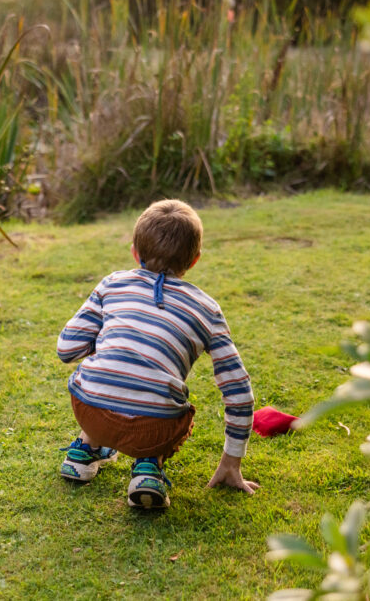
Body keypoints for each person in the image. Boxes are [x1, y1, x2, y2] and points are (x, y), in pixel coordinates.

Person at [56, 199, 258, 509]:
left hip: (89, 411)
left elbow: (66, 349)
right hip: (156, 427)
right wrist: (232, 461)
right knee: (166, 402)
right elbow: (239, 391)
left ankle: (84, 451)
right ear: (194, 261)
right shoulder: (207, 308)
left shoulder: (112, 284)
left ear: (135, 251)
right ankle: (148, 467)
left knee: (104, 372)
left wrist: (114, 340)